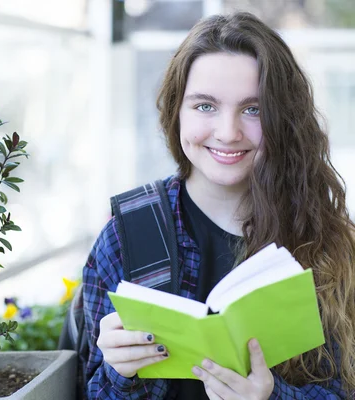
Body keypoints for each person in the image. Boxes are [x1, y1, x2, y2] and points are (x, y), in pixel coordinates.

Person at [82, 11, 355, 400]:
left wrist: (271, 397)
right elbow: (90, 391)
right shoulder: (125, 236)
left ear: (284, 119)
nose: (228, 133)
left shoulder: (329, 242)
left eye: (253, 109)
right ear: (176, 111)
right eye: (205, 106)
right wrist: (118, 374)